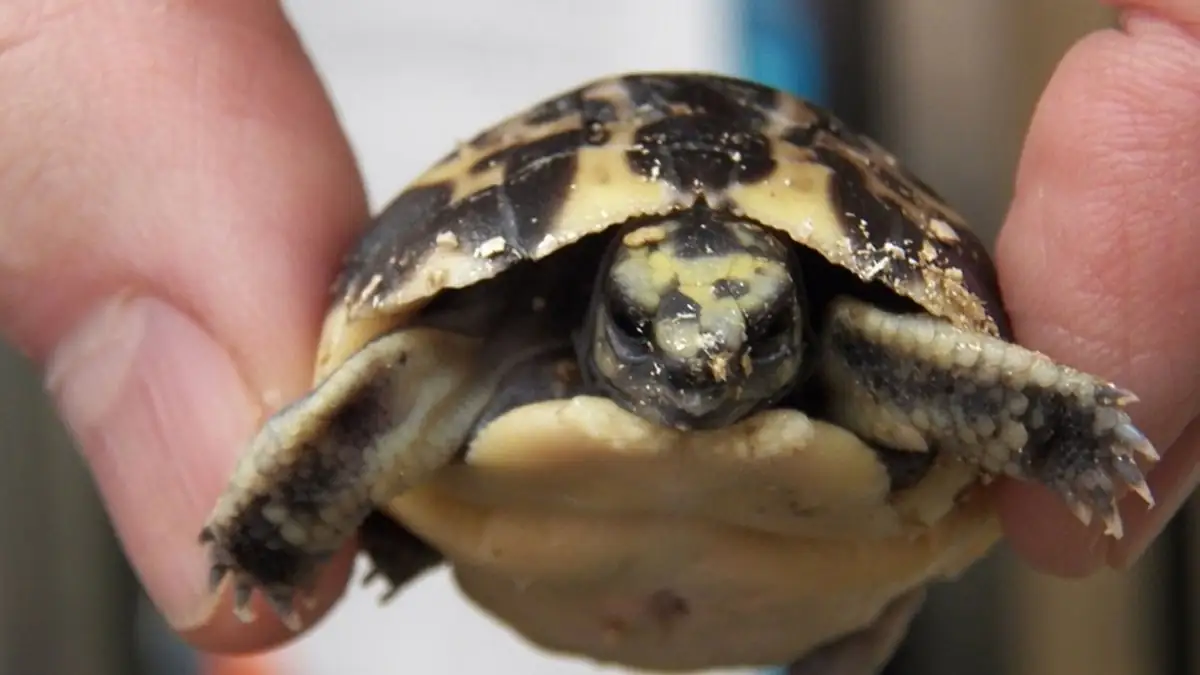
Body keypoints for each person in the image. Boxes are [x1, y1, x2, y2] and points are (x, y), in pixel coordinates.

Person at [1, 0, 1195, 655]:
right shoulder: (477, 342)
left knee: (872, 370)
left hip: (826, 598)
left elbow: (894, 357)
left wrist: (1059, 428)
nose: (707, 356)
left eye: (756, 328)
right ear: (601, 310)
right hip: (732, 554)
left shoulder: (850, 351)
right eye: (652, 325)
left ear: (794, 309)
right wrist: (285, 513)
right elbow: (393, 371)